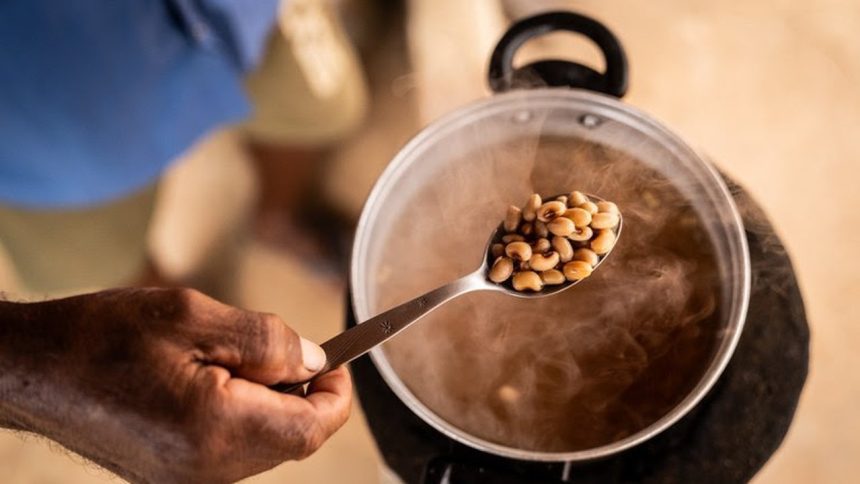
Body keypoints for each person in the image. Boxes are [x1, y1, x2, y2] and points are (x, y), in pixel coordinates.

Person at [0, 0, 367, 481]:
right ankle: (184, 329)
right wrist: (27, 368)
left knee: (319, 111)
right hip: (40, 126)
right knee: (113, 287)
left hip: (248, 17)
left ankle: (278, 217)